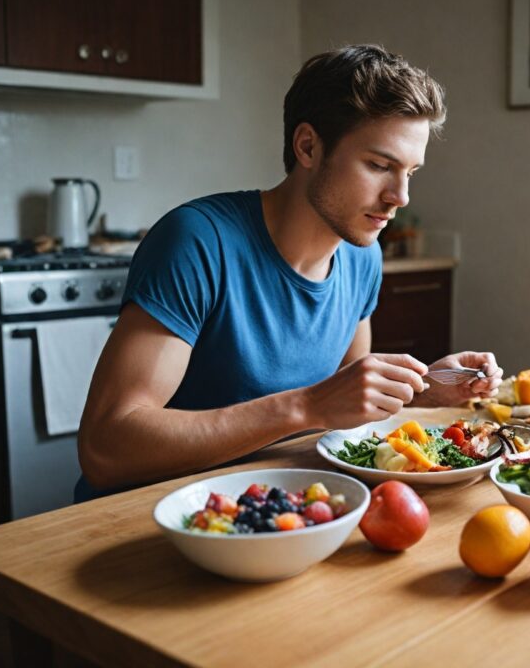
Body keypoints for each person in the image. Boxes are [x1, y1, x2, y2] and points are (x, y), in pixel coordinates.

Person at [77, 45, 502, 498]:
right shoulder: (197, 241)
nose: (401, 196)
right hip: (152, 520)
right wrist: (308, 406)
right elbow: (106, 449)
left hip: (278, 510)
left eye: (410, 172)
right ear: (308, 147)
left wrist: (423, 389)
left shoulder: (361, 255)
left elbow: (343, 399)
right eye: (379, 166)